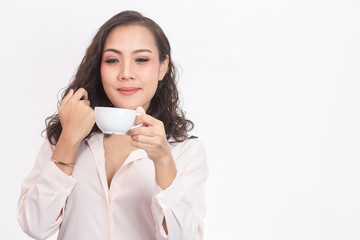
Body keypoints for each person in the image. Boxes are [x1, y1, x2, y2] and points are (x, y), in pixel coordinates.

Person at [17, 10, 208, 240]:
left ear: (162, 67)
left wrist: (163, 160)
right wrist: (69, 139)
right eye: (112, 60)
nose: (126, 73)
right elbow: (35, 226)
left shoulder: (185, 151)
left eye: (141, 59)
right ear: (99, 66)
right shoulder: (67, 136)